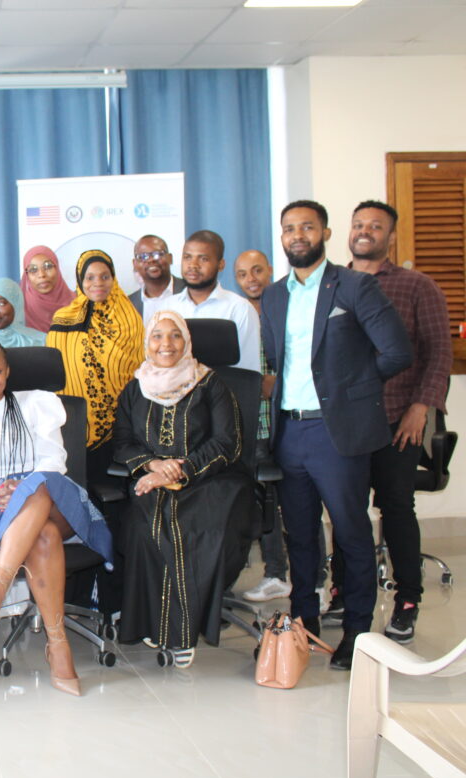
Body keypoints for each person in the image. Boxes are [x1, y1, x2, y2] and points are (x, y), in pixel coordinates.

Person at [260, 200, 411, 670]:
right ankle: (303, 621)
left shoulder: (355, 285)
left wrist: (353, 395)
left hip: (336, 433)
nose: (297, 235)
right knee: (300, 535)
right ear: (282, 237)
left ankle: (358, 631)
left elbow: (397, 352)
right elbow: (274, 362)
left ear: (324, 232)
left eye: (307, 226)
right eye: (289, 229)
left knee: (350, 531)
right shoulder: (274, 295)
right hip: (290, 431)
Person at [0, 339, 113, 695]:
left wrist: (19, 487)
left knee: (36, 484)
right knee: (45, 536)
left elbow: (54, 461)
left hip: (58, 501)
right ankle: (58, 645)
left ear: (7, 373)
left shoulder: (36, 404)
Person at [114, 311, 255, 667]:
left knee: (201, 529)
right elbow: (123, 443)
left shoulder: (210, 383)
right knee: (141, 528)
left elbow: (227, 443)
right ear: (147, 342)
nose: (166, 344)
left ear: (187, 341)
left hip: (210, 480)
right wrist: (151, 464)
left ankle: (182, 633)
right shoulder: (135, 387)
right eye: (157, 336)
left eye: (175, 335)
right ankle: (155, 622)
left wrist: (180, 468)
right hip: (152, 477)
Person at [339, 200, 451, 644]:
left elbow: (439, 353)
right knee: (346, 512)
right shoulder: (332, 283)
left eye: (376, 226)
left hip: (397, 419)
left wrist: (422, 408)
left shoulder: (417, 286)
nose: (365, 231)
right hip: (343, 422)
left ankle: (407, 600)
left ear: (391, 236)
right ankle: (344, 591)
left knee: (397, 509)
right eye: (359, 224)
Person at [47, 250, 144, 489]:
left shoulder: (129, 319)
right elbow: (58, 370)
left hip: (121, 423)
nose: (97, 283)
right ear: (80, 281)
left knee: (114, 490)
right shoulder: (63, 318)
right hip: (74, 423)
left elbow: (134, 369)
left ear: (114, 278)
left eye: (104, 276)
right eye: (90, 277)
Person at [232, 249, 292, 603]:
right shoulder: (238, 314)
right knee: (261, 502)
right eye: (243, 274)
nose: (251, 278)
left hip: (284, 424)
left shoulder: (283, 310)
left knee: (296, 501)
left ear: (270, 270)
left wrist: (275, 382)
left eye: (257, 270)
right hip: (250, 426)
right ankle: (275, 574)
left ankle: (313, 575)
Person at [163, 230, 261, 373]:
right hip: (176, 392)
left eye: (203, 259)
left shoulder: (239, 308)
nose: (193, 265)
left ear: (221, 264)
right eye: (187, 257)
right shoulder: (167, 307)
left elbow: (248, 369)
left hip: (225, 392)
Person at [127, 235, 184, 320]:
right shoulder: (128, 304)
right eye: (143, 256)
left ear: (170, 258)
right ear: (134, 264)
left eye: (157, 254)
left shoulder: (189, 291)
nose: (151, 260)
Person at [21, 245, 75, 333]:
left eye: (48, 267)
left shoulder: (78, 305)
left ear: (57, 268)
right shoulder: (18, 310)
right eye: (33, 270)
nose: (42, 275)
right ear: (26, 275)